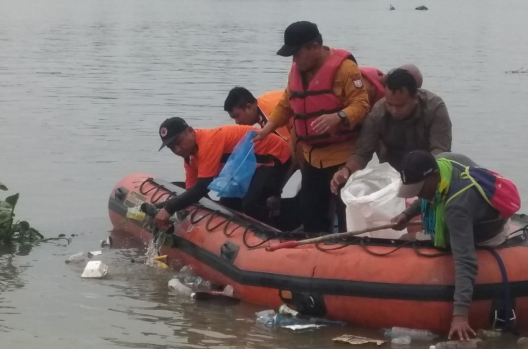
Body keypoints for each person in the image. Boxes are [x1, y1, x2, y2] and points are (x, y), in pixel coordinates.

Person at [253, 21, 370, 233]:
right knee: (310, 211)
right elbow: (286, 103)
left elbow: (361, 104)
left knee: (345, 212)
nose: (294, 60)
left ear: (314, 46)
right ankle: (315, 256)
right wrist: (267, 128)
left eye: (297, 54)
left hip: (341, 157)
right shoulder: (297, 70)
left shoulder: (345, 69)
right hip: (311, 157)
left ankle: (348, 251)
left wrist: (339, 116)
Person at [391, 151, 521, 340]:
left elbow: (466, 261)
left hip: (488, 234)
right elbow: (427, 198)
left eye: (419, 189)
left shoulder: (456, 209)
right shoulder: (447, 161)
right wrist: (408, 214)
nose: (417, 194)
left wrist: (460, 315)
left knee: (406, 239)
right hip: (483, 213)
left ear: (434, 176)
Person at [153, 117, 291, 229]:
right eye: (172, 148)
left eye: (179, 141)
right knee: (227, 206)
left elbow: (201, 187)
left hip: (275, 157)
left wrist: (169, 208)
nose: (177, 149)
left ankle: (276, 233)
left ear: (190, 131)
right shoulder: (189, 158)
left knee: (250, 204)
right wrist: (168, 205)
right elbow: (191, 190)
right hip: (248, 166)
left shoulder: (208, 142)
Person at [330, 68, 451, 193]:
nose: (394, 110)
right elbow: (363, 152)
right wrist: (346, 170)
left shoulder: (435, 108)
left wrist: (425, 179)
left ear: (415, 97)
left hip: (429, 173)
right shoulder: (378, 113)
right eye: (389, 104)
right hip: (393, 176)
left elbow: (441, 150)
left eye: (400, 105)